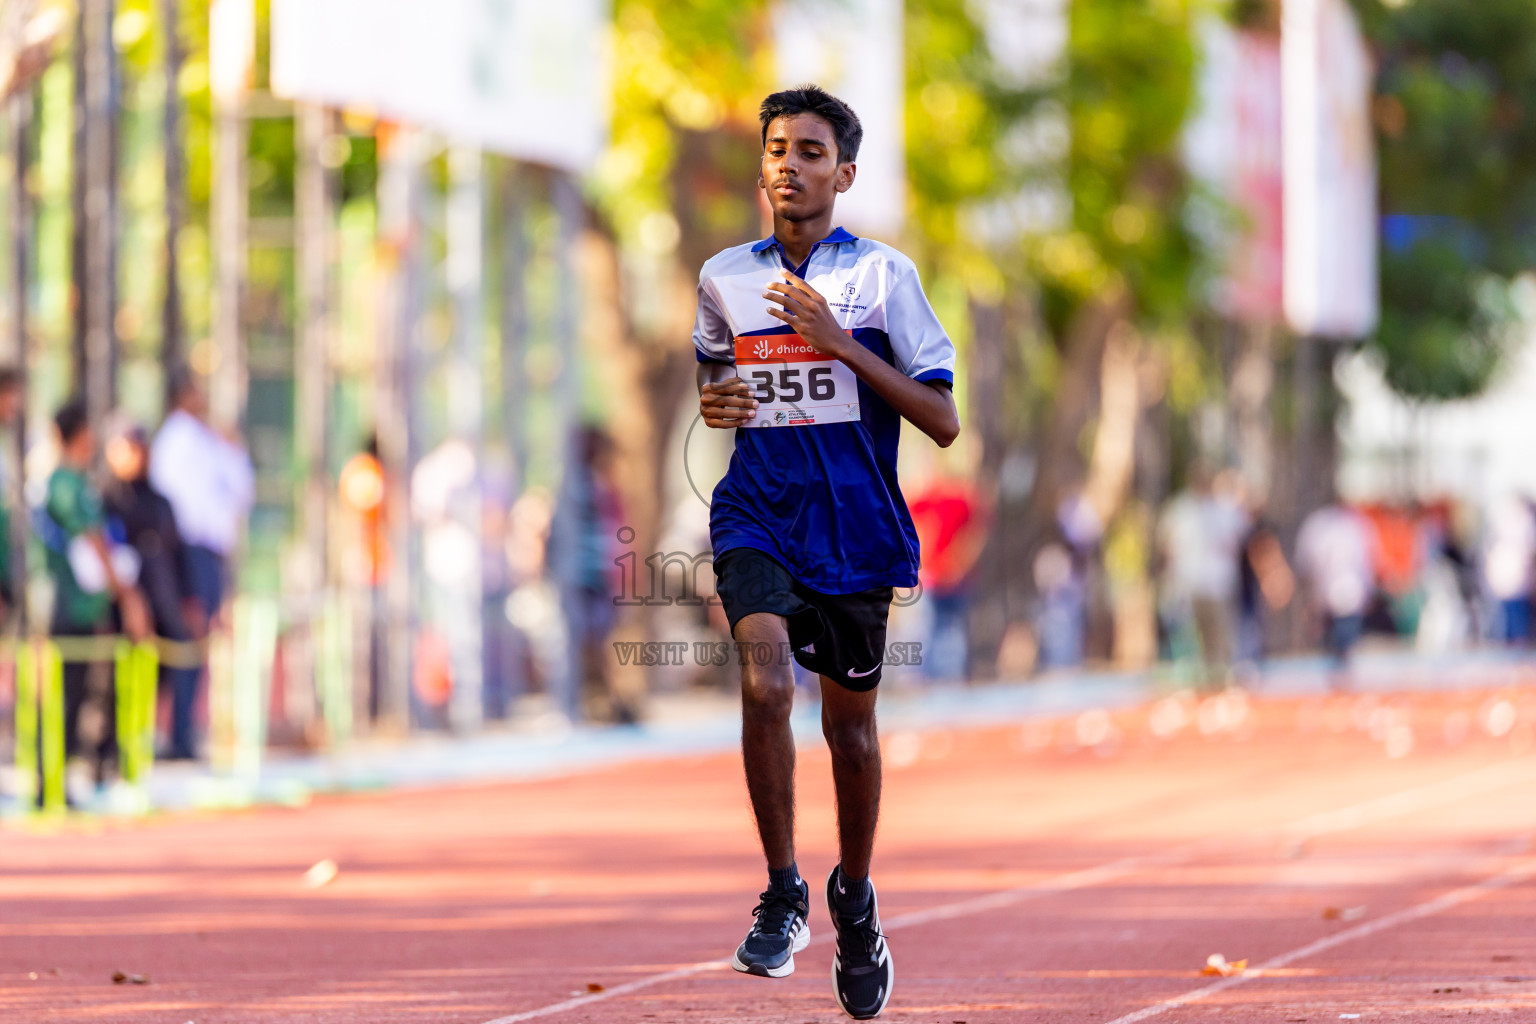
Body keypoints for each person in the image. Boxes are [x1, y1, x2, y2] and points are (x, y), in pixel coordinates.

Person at [695, 85, 959, 1020]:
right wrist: (715, 403)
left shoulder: (885, 279)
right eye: (776, 148)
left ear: (843, 174)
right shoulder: (724, 276)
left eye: (810, 151)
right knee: (766, 685)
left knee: (849, 732)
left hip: (854, 533)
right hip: (757, 513)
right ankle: (783, 892)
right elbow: (719, 389)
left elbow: (942, 420)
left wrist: (839, 343)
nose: (788, 164)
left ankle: (855, 896)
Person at [41, 400, 150, 788]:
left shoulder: (80, 482)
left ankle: (73, 775)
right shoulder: (62, 483)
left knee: (90, 691)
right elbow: (91, 540)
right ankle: (50, 783)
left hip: (89, 605)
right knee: (63, 695)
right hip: (69, 604)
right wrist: (126, 593)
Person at [102, 416, 200, 760]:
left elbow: (179, 551)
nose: (137, 455)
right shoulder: (105, 499)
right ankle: (112, 748)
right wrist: (129, 600)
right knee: (114, 676)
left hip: (163, 600)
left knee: (172, 667)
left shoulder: (160, 501)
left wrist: (188, 599)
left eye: (140, 447)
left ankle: (170, 737)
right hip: (119, 604)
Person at [148, 369, 255, 634]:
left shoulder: (205, 437)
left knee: (205, 631)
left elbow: (240, 490)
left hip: (207, 550)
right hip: (189, 549)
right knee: (192, 632)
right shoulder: (177, 438)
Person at [1295, 497, 1377, 686]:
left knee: (1339, 642)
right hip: (1343, 591)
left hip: (1340, 590)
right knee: (1339, 643)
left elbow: (1308, 562)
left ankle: (1339, 677)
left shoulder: (1327, 526)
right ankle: (1339, 677)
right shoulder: (1350, 526)